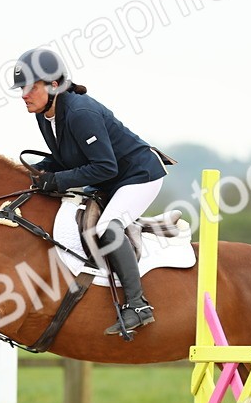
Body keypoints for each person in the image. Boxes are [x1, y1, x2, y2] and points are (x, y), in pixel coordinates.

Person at [12, 47, 170, 336]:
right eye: (22, 88)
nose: (24, 94)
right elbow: (66, 157)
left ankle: (138, 305)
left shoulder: (80, 113)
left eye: (31, 87)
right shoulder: (45, 114)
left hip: (139, 176)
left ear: (54, 85)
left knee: (108, 227)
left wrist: (57, 180)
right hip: (110, 179)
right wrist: (31, 172)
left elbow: (105, 167)